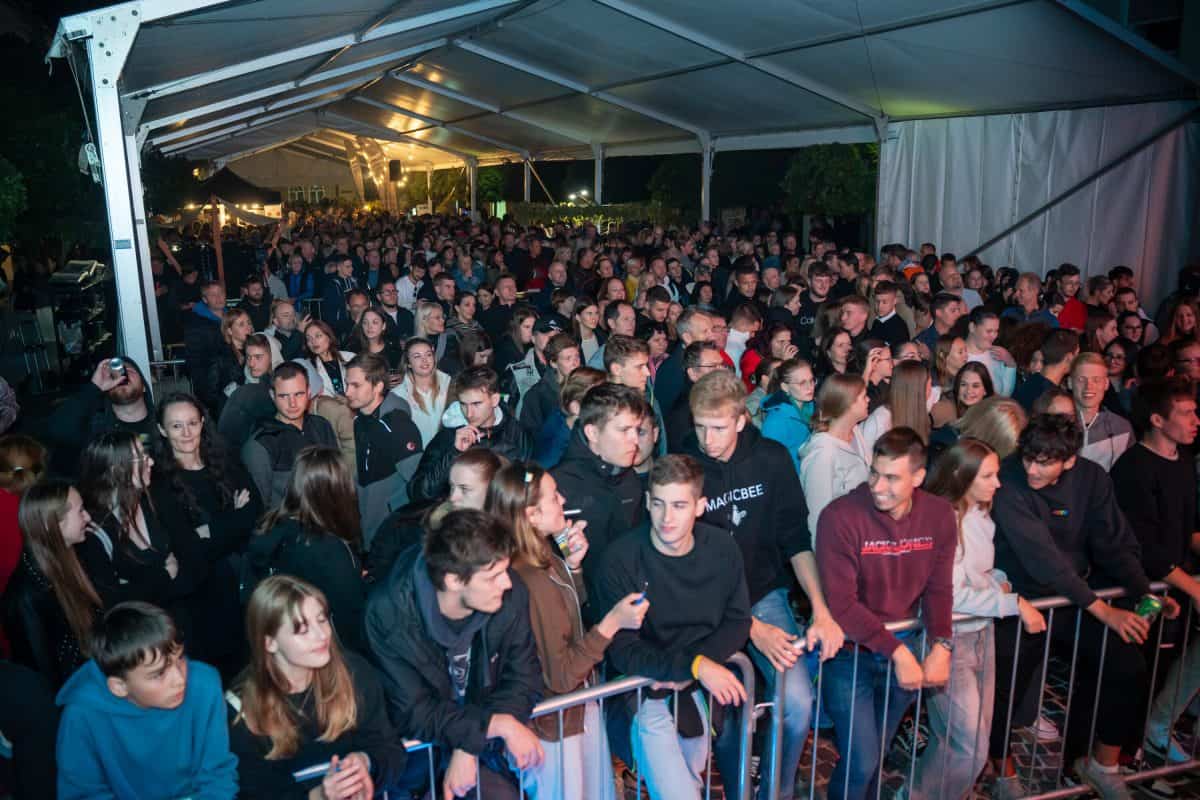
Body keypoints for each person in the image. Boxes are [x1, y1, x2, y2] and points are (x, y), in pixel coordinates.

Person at [990, 414, 1177, 798]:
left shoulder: (1091, 477)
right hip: (1020, 600)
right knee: (1006, 690)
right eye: (1028, 458)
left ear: (1070, 460)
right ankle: (1002, 774)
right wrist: (1105, 611)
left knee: (1127, 666)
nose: (1032, 469)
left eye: (1044, 462)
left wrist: (1144, 592)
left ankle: (1101, 764)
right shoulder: (1008, 480)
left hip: (1074, 597)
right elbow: (1042, 558)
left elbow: (1114, 540)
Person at [685, 369, 842, 800]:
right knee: (728, 720)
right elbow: (686, 563)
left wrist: (821, 609)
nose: (707, 439)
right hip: (707, 605)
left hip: (763, 595)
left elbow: (796, 539)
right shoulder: (686, 465)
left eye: (718, 428)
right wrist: (749, 627)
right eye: (700, 427)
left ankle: (776, 790)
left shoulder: (771, 458)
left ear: (741, 420)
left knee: (798, 704)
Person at [593, 455, 751, 800]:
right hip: (642, 691)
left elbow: (738, 619)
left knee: (690, 784)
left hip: (697, 692)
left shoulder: (722, 549)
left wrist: (699, 665)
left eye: (679, 505)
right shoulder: (620, 559)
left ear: (700, 506)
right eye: (659, 504)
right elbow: (623, 650)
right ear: (647, 501)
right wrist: (694, 665)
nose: (667, 518)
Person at [486, 462, 647, 800]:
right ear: (531, 515)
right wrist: (612, 623)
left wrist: (572, 567)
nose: (563, 500)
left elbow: (565, 614)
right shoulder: (528, 579)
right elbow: (560, 675)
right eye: (554, 496)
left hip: (573, 712)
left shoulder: (542, 557)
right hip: (554, 727)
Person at [816, 428, 957, 800]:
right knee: (862, 760)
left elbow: (939, 588)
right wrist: (898, 652)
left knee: (874, 756)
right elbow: (842, 605)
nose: (878, 486)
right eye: (874, 473)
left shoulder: (940, 515)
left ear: (918, 477)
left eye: (892, 478)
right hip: (851, 655)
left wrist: (941, 644)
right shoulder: (839, 517)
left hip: (902, 645)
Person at [365, 508, 543, 800]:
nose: (507, 582)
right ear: (453, 580)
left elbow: (524, 679)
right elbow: (414, 710)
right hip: (414, 765)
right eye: (493, 576)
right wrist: (494, 725)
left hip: (482, 753)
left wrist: (471, 742)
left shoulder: (509, 596)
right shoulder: (388, 613)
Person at [903, 439, 1046, 800]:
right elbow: (948, 595)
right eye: (988, 476)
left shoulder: (980, 515)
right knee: (969, 748)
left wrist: (997, 580)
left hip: (982, 632)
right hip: (948, 639)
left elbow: (976, 575)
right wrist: (1013, 603)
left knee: (960, 741)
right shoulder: (943, 521)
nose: (998, 483)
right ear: (960, 476)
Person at [229, 575, 408, 799]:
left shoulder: (354, 673)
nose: (322, 635)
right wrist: (320, 796)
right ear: (270, 642)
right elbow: (257, 792)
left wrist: (366, 762)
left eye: (322, 620)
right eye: (302, 629)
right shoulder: (241, 708)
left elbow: (390, 749)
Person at [55, 601, 237, 800]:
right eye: (158, 674)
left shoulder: (204, 685)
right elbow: (83, 793)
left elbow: (218, 776)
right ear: (119, 686)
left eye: (179, 659)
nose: (179, 679)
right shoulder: (82, 714)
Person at [1112, 378, 1200, 762]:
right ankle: (1120, 755)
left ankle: (1150, 739)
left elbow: (1188, 530)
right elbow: (1147, 548)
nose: (1196, 420)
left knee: (1164, 668)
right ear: (1157, 420)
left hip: (1174, 584)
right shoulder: (1133, 468)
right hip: (1141, 590)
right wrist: (1194, 589)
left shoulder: (1183, 462)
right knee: (1135, 672)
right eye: (1186, 413)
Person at [152, 392, 261, 675]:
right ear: (162, 430)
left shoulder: (225, 461)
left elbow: (254, 512)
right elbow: (187, 545)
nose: (187, 433)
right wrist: (233, 518)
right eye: (176, 426)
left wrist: (209, 531)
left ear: (202, 422)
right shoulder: (158, 482)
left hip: (243, 585)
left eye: (192, 423)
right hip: (202, 599)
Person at [249, 445, 368, 653]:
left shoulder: (272, 525)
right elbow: (351, 622)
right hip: (324, 651)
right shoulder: (330, 550)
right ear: (337, 491)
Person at [551, 382, 649, 604]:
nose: (635, 440)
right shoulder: (557, 488)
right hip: (581, 609)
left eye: (637, 429)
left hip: (628, 602)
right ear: (593, 432)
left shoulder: (629, 478)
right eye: (624, 430)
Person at [3, 480, 103, 686]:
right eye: (80, 511)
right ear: (53, 524)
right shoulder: (25, 596)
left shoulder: (74, 555)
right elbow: (41, 676)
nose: (88, 517)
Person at [76, 431, 189, 612]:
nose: (150, 462)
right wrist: (165, 574)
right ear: (117, 471)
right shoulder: (93, 531)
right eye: (141, 458)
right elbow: (112, 601)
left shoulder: (151, 500)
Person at [410, 366, 531, 501]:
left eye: (476, 404)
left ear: (495, 400)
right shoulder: (450, 434)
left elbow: (530, 482)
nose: (469, 413)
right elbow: (418, 492)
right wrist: (454, 453)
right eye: (463, 404)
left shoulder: (516, 433)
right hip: (457, 511)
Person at [343, 353, 424, 547]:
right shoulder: (360, 418)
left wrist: (394, 516)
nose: (347, 392)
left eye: (355, 385)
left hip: (391, 530)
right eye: (347, 384)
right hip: (368, 520)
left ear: (378, 386)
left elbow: (418, 484)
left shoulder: (397, 425)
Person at [242, 363, 338, 508]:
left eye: (298, 394)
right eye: (284, 396)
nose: (292, 403)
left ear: (309, 392)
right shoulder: (260, 445)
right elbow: (261, 507)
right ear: (272, 396)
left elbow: (337, 479)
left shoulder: (322, 425)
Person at [44, 356, 157, 476]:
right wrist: (94, 388)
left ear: (144, 387)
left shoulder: (162, 426)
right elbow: (55, 430)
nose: (122, 376)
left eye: (129, 370)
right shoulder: (95, 432)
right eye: (114, 375)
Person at [798, 373, 871, 538]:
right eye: (864, 397)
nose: (869, 400)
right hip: (839, 541)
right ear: (847, 404)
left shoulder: (855, 432)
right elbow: (818, 516)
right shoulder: (822, 454)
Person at [1069, 352, 1133, 471]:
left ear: (1106, 384)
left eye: (1096, 380)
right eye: (1081, 379)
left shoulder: (1121, 427)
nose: (1088, 387)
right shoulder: (1055, 422)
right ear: (1070, 383)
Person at [217, 333, 279, 449]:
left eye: (258, 357)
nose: (251, 363)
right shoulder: (235, 384)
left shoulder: (281, 386)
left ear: (272, 357)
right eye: (249, 357)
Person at [391, 336, 451, 447]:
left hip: (447, 451)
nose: (424, 360)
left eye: (428, 354)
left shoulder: (449, 384)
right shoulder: (398, 395)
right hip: (418, 453)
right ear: (408, 363)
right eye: (417, 356)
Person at [760, 357, 816, 475]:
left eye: (812, 380)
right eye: (802, 383)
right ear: (785, 387)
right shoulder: (775, 422)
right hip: (794, 481)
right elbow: (770, 466)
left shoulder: (816, 407)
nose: (810, 387)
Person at [860, 360, 932, 451]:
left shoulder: (919, 412)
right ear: (918, 389)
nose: (931, 390)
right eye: (930, 385)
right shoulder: (879, 421)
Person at [519, 332, 581, 436]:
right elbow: (532, 437)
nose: (575, 363)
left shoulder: (587, 385)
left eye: (577, 357)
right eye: (568, 358)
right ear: (553, 363)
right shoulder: (536, 396)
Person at [1011, 328, 1079, 413]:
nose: (1078, 360)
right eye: (1077, 354)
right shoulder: (1053, 401)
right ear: (1069, 358)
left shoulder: (1030, 382)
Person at [964, 307, 1016, 395]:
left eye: (996, 331)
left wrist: (1010, 363)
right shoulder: (959, 356)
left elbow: (1005, 394)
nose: (994, 336)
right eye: (989, 331)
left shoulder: (997, 353)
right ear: (972, 327)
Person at [931, 361, 995, 428]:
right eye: (963, 384)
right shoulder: (944, 410)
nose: (969, 391)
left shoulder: (993, 410)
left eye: (975, 386)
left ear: (985, 390)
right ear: (957, 385)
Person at [304, 320, 354, 398]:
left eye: (318, 336)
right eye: (309, 339)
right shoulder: (307, 367)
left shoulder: (350, 357)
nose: (313, 341)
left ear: (329, 337)